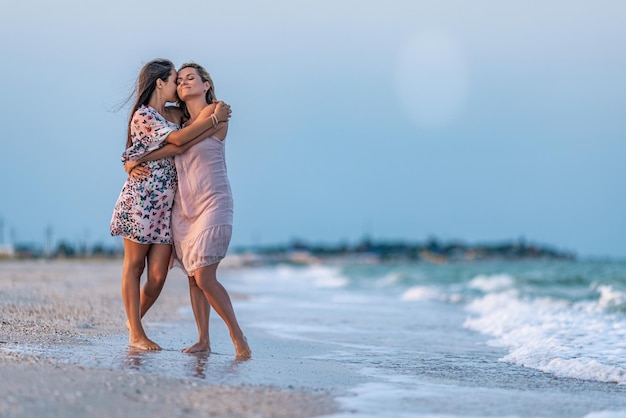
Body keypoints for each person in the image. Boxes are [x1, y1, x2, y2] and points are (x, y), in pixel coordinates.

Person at [126, 62, 251, 359]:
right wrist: (131, 161)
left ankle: (238, 336)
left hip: (212, 201)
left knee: (205, 276)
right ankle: (203, 341)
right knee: (193, 277)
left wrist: (139, 158)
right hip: (183, 206)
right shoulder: (176, 118)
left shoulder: (216, 111)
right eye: (179, 80)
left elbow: (181, 143)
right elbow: (151, 129)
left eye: (191, 78)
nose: (183, 83)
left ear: (206, 84)